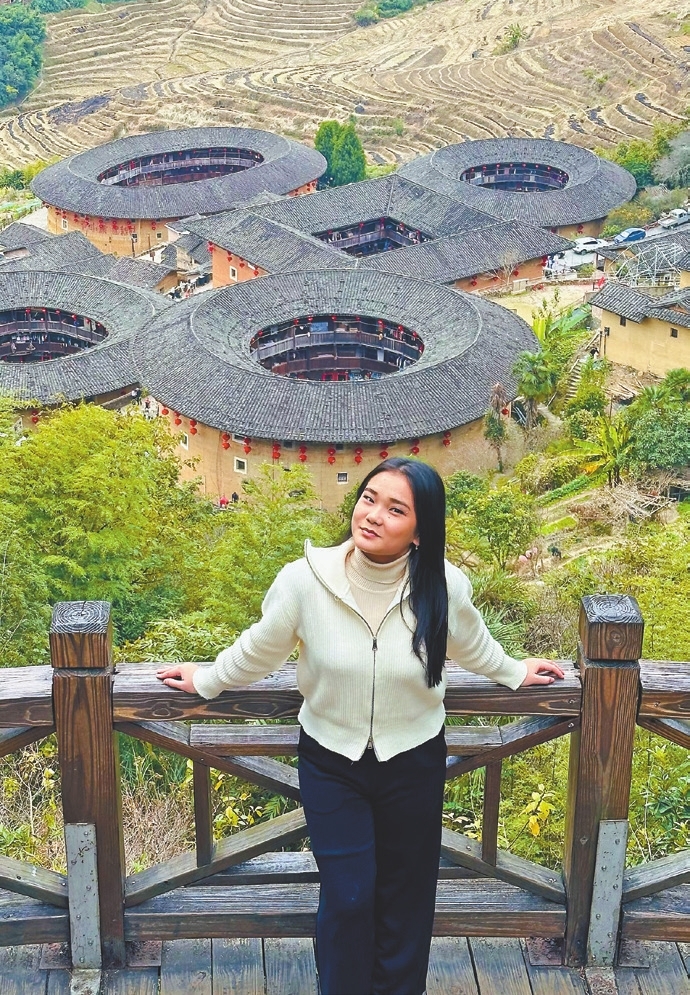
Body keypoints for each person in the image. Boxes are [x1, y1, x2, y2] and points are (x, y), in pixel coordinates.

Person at [156, 458, 562, 995]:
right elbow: (261, 647)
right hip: (331, 760)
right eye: (369, 498)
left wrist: (513, 672)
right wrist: (207, 679)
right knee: (348, 895)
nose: (372, 515)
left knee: (406, 896)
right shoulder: (305, 580)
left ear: (421, 531)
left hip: (414, 758)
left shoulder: (443, 584)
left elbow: (471, 643)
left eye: (395, 509)